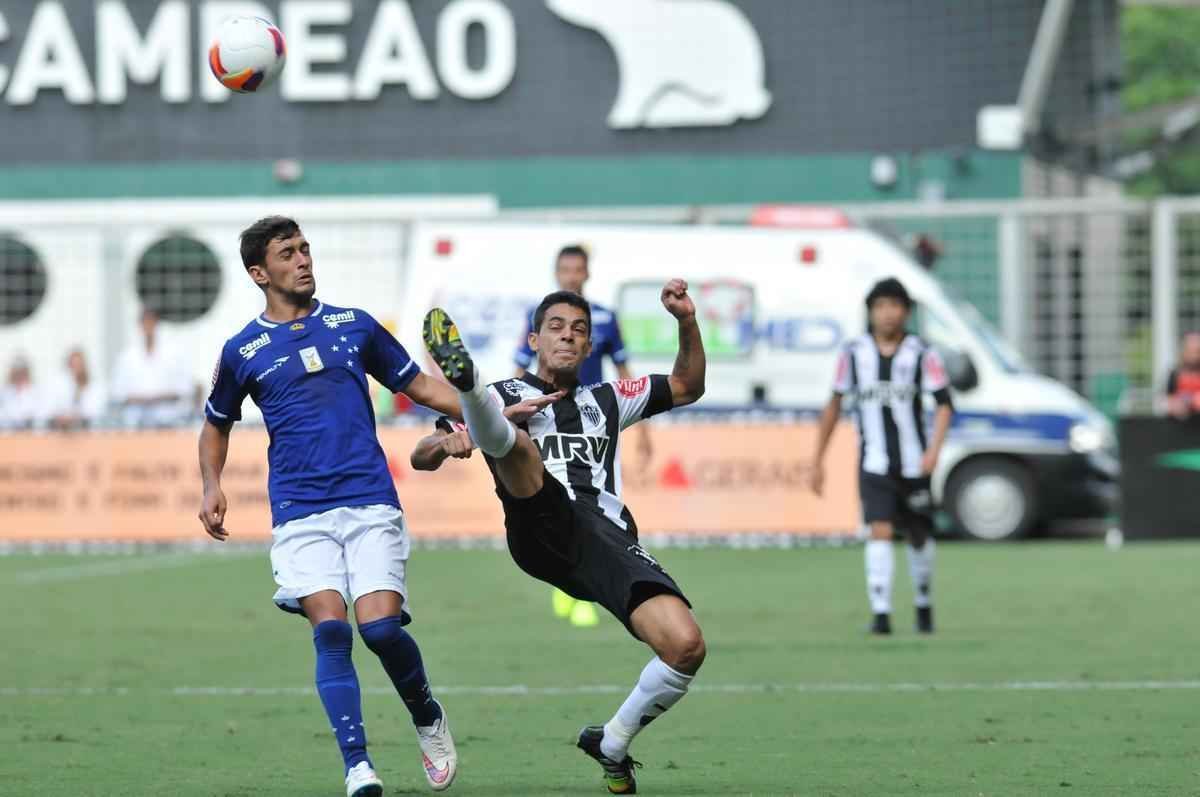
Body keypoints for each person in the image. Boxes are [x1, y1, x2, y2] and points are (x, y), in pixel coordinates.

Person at [197, 216, 465, 796]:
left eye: (305, 249)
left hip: (369, 500)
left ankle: (425, 714)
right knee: (333, 631)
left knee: (382, 629)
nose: (303, 260)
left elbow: (419, 385)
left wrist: (482, 408)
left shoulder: (354, 326)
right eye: (288, 253)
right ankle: (357, 766)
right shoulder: (243, 349)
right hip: (299, 512)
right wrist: (211, 484)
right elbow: (216, 424)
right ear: (258, 273)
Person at [414, 280, 706, 795]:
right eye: (556, 328)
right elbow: (423, 454)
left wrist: (686, 320)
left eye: (579, 331)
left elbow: (687, 385)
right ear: (533, 340)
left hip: (604, 542)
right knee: (519, 446)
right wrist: (450, 443)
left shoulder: (610, 398)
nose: (568, 338)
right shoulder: (508, 393)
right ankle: (472, 394)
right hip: (537, 525)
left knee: (685, 646)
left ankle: (611, 742)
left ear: (590, 347)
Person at [512, 244, 652, 628]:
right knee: (553, 505)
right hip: (548, 424)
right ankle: (570, 584)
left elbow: (625, 370)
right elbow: (519, 371)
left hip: (595, 423)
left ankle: (582, 584)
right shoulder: (540, 318)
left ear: (587, 273)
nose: (572, 276)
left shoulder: (604, 318)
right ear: (557, 273)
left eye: (578, 269)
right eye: (565, 269)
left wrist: (644, 431)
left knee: (595, 501)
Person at [809, 277, 955, 636]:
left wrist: (934, 450)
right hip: (873, 461)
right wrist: (817, 459)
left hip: (914, 461)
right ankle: (882, 613)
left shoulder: (922, 353)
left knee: (918, 534)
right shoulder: (853, 353)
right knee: (879, 529)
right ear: (871, 312)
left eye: (895, 306)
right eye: (880, 306)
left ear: (906, 312)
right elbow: (834, 403)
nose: (888, 314)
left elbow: (944, 405)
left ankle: (923, 603)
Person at [111, 307, 195, 427]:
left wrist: (156, 398)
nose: (148, 326)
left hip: (169, 421)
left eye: (151, 322)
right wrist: (144, 400)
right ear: (139, 325)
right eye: (145, 322)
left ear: (157, 324)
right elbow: (118, 394)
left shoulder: (174, 354)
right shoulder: (127, 357)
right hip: (135, 423)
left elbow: (185, 389)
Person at [48, 348, 107, 430]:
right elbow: (52, 408)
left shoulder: (94, 387)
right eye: (73, 365)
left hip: (88, 430)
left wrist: (75, 417)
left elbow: (95, 411)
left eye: (79, 364)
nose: (76, 369)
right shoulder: (60, 385)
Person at [0, 355, 44, 430]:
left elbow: (41, 415)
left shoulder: (37, 391)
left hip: (31, 433)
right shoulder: (4, 392)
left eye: (21, 371)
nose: (19, 375)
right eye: (16, 372)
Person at [1166, 331, 1200, 421]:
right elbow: (1167, 398)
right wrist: (1174, 404)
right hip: (1179, 425)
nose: (1193, 354)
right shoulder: (1175, 373)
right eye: (1190, 349)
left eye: (1196, 350)